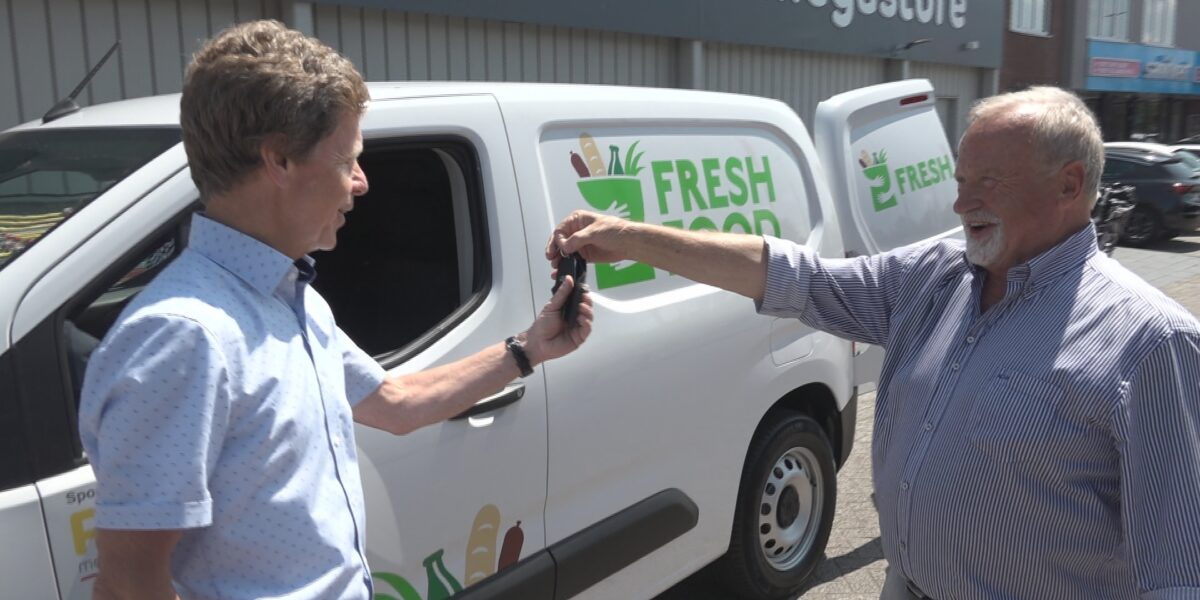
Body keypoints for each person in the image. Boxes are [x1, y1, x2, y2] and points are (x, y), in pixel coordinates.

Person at [548, 86, 1200, 599]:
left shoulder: (1150, 344)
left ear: (1069, 184)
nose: (961, 204)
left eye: (988, 183)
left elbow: (1177, 573)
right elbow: (796, 277)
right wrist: (633, 239)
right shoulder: (938, 273)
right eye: (960, 182)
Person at [78, 20, 592, 600]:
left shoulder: (291, 300)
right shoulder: (184, 338)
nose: (362, 181)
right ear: (279, 160)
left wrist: (528, 350)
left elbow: (395, 405)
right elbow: (127, 585)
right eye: (347, 157)